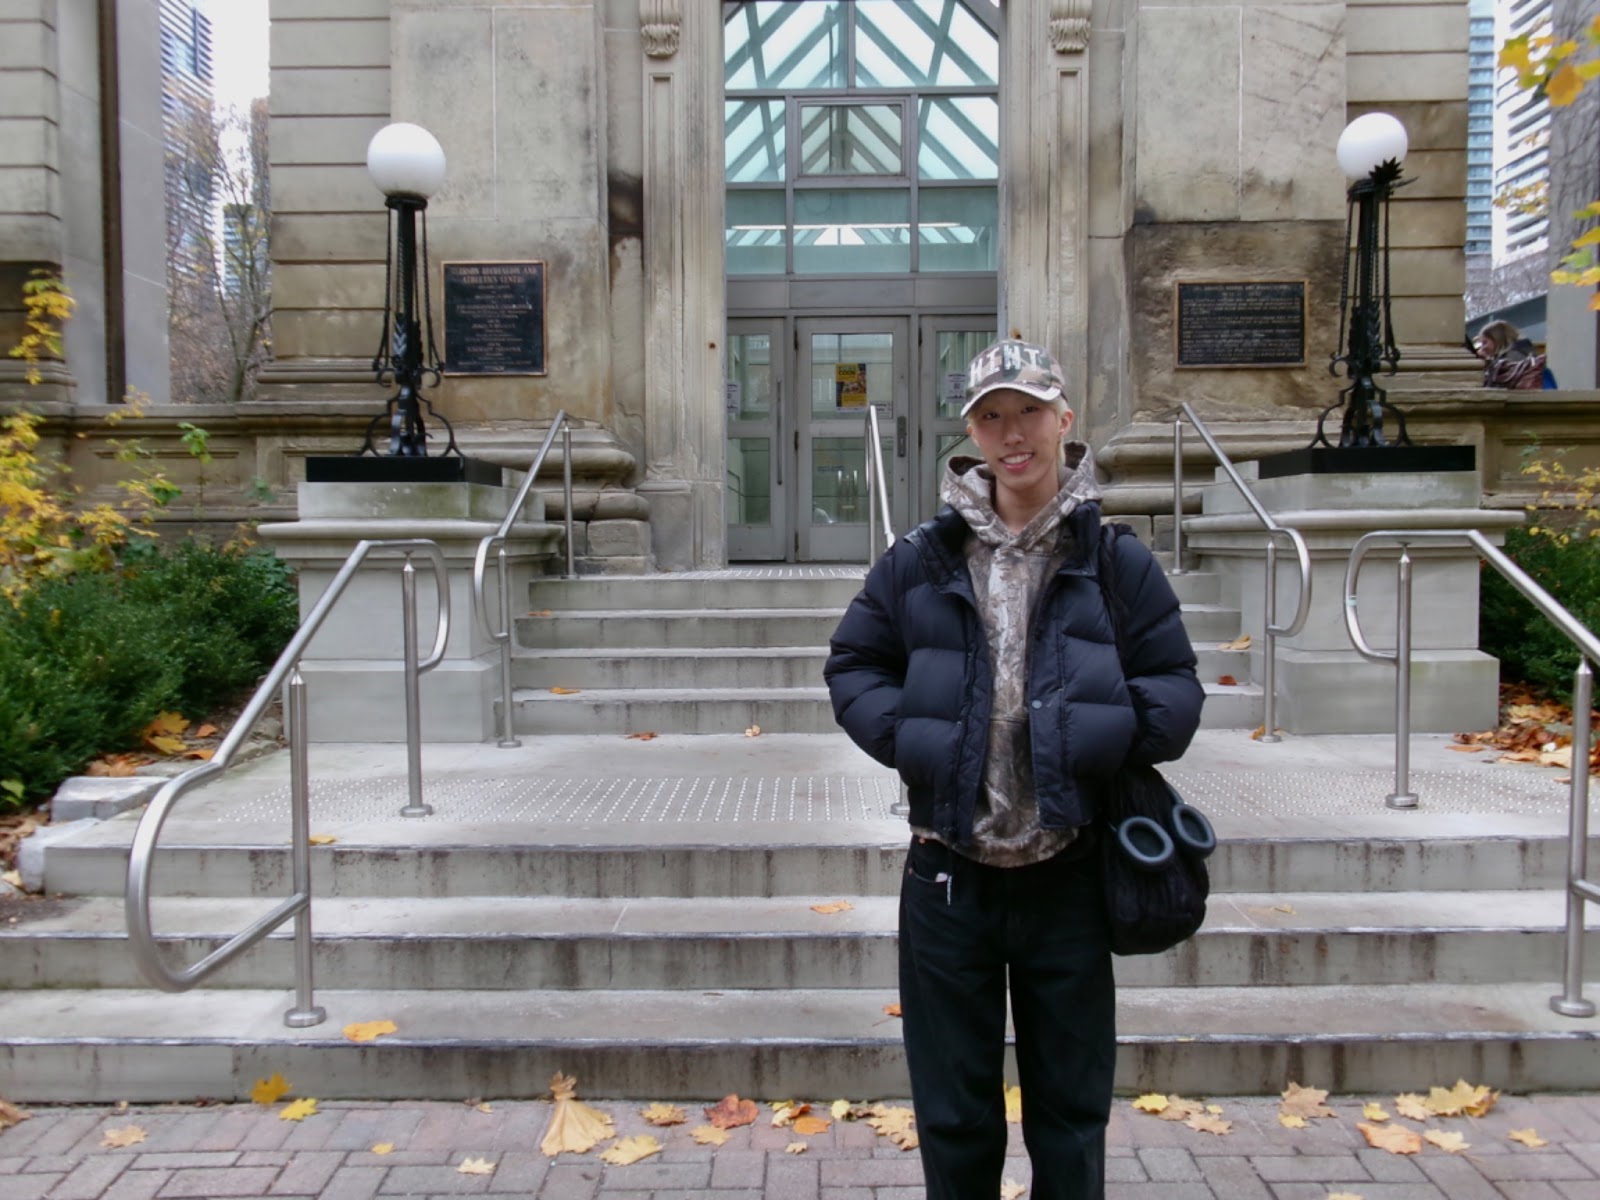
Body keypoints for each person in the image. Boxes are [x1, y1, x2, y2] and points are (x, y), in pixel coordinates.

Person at [824, 337, 1204, 1200]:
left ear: (1064, 421)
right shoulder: (920, 558)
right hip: (947, 876)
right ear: (972, 434)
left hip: (1067, 872)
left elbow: (1174, 685)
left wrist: (1097, 738)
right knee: (954, 1116)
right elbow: (853, 662)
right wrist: (917, 740)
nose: (1012, 432)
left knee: (1071, 1115)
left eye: (1028, 411)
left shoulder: (1116, 560)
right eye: (991, 416)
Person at [1474, 320, 1555, 390]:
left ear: (1497, 340)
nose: (1482, 348)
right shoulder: (1523, 352)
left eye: (1485, 342)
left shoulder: (1513, 358)